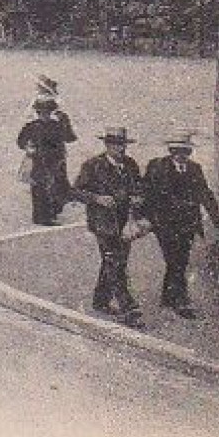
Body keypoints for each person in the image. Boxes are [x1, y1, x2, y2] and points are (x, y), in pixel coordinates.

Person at [68, 126, 148, 327]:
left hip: (124, 223)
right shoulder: (93, 166)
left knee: (114, 260)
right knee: (114, 261)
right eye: (115, 146)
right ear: (107, 145)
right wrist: (97, 198)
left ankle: (100, 300)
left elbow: (139, 186)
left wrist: (138, 197)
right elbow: (76, 190)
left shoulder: (130, 164)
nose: (120, 150)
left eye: (122, 145)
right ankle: (128, 307)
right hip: (103, 222)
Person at [142, 131, 219, 319]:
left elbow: (205, 194)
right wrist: (143, 217)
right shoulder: (157, 167)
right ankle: (181, 301)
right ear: (171, 151)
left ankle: (168, 299)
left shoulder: (195, 168)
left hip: (188, 224)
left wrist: (218, 220)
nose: (181, 155)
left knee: (179, 262)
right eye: (177, 151)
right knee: (174, 261)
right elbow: (146, 192)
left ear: (189, 152)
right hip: (165, 225)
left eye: (185, 151)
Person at [17, 96, 76, 224]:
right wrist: (28, 148)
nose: (45, 115)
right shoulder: (32, 126)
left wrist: (65, 120)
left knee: (54, 186)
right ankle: (42, 217)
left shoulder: (57, 125)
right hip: (39, 160)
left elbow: (69, 138)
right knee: (40, 188)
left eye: (48, 112)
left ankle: (50, 213)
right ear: (38, 113)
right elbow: (21, 141)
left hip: (56, 161)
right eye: (42, 112)